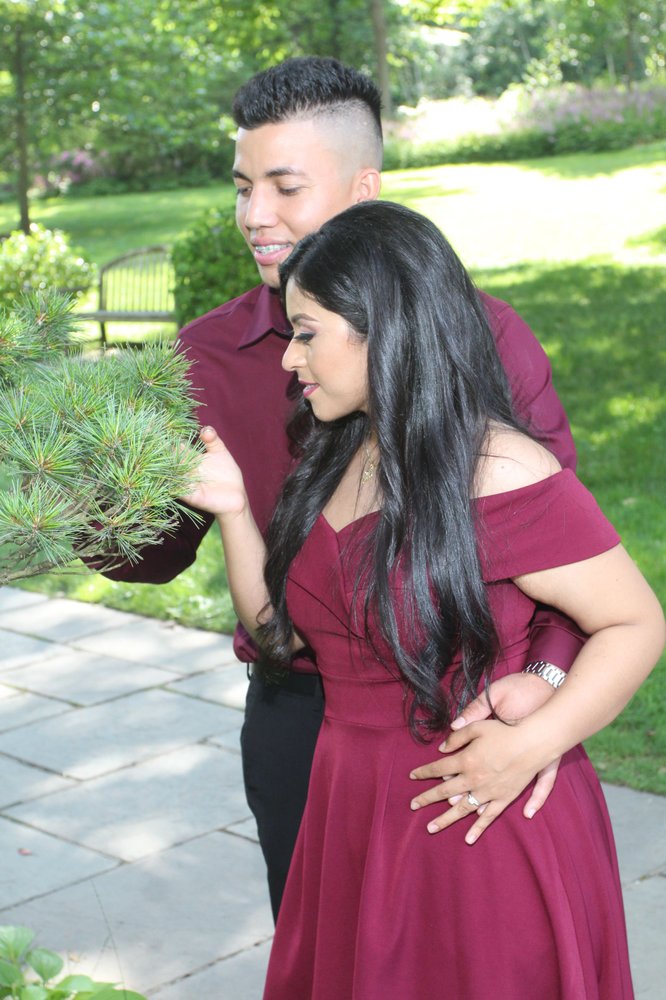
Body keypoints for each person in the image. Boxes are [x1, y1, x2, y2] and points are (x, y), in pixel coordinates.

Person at [101, 56, 584, 920]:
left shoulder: (487, 336)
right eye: (242, 186)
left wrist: (546, 691)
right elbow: (150, 552)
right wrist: (67, 480)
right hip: (298, 716)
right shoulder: (203, 355)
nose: (255, 215)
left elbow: (571, 555)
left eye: (285, 186)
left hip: (469, 714)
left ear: (366, 189)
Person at [183, 200, 665, 999]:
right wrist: (234, 511)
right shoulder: (335, 452)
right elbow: (280, 635)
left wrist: (537, 740)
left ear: (385, 331)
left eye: (307, 333)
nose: (289, 358)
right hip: (348, 805)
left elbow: (635, 621)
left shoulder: (499, 469)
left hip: (475, 819)